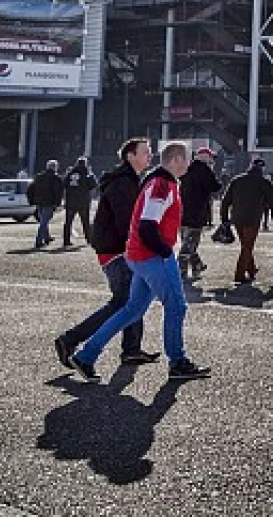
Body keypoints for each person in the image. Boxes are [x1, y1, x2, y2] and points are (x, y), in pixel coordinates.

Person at [67, 141, 211, 382]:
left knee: (131, 310)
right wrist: (165, 253)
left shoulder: (156, 182)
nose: (189, 163)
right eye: (187, 159)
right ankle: (178, 362)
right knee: (176, 307)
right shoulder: (162, 185)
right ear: (175, 160)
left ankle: (86, 356)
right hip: (151, 257)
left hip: (138, 256)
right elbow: (147, 225)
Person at [55, 139, 158, 371]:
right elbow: (126, 221)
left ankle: (131, 349)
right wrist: (142, 247)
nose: (150, 156)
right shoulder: (123, 182)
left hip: (121, 248)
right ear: (130, 156)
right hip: (116, 250)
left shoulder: (131, 180)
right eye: (145, 152)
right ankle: (70, 339)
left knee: (134, 299)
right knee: (123, 302)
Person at [221, 157, 273, 285]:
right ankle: (239, 275)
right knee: (247, 246)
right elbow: (272, 199)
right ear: (262, 168)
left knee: (245, 244)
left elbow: (225, 201)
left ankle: (251, 269)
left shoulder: (236, 180)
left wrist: (224, 219)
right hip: (252, 218)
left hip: (237, 218)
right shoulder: (264, 182)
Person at [178, 147, 222, 279]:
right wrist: (214, 174)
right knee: (190, 243)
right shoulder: (204, 170)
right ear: (204, 157)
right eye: (210, 157)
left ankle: (197, 265)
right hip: (196, 213)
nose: (211, 160)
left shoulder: (184, 169)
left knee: (187, 241)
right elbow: (215, 187)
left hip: (181, 212)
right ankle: (181, 270)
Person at [26, 160, 65, 248]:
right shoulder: (56, 178)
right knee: (44, 221)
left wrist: (31, 200)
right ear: (55, 167)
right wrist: (58, 203)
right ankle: (38, 241)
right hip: (49, 202)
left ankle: (47, 237)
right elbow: (58, 192)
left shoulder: (39, 176)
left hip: (39, 201)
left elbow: (30, 188)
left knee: (43, 220)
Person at [61, 157, 97, 248]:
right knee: (85, 221)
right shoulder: (86, 173)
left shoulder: (70, 174)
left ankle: (66, 240)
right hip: (83, 201)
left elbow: (64, 184)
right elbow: (93, 185)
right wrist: (91, 173)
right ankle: (88, 239)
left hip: (71, 200)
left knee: (68, 222)